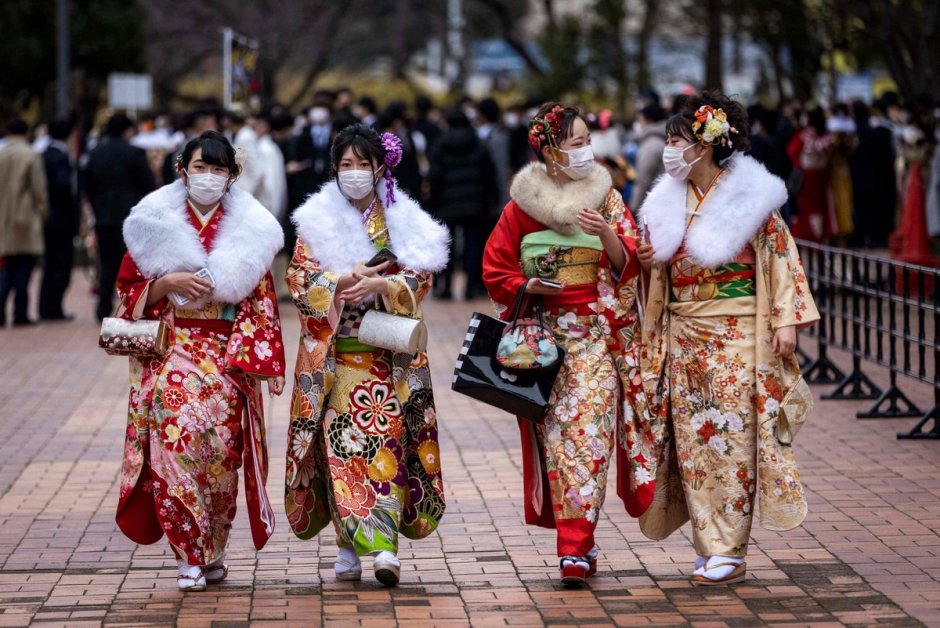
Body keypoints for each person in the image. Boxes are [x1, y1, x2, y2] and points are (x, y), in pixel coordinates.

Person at [636, 91, 819, 586]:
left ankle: (730, 549)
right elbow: (653, 271)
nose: (670, 149)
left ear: (705, 145)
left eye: (677, 140)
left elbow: (780, 257)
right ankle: (709, 544)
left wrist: (784, 321)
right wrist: (649, 261)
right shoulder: (666, 199)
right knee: (694, 442)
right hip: (684, 330)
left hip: (737, 331)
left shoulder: (749, 197)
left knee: (731, 437)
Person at [482, 103, 651, 587]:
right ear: (551, 151)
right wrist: (526, 288)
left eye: (585, 141)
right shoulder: (522, 206)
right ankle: (581, 539)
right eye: (574, 142)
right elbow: (496, 267)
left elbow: (627, 265)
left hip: (596, 337)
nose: (585, 150)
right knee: (557, 441)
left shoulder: (607, 197)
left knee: (587, 437)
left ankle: (573, 547)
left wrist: (606, 236)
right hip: (544, 340)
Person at [114, 130, 285, 591]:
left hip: (229, 357)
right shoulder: (153, 222)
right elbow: (125, 291)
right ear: (181, 171)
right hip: (175, 351)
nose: (208, 177)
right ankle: (188, 553)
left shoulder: (250, 230)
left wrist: (266, 363)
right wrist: (166, 282)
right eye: (200, 167)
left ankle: (214, 548)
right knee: (176, 447)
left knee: (221, 460)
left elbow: (263, 300)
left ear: (232, 176)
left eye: (218, 169)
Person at [285, 124, 448, 587]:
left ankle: (383, 547)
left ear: (381, 167)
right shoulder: (315, 221)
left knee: (387, 446)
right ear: (334, 169)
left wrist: (385, 285)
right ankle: (347, 543)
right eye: (345, 165)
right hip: (337, 360)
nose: (355, 173)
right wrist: (337, 281)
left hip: (386, 357)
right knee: (340, 451)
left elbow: (422, 277)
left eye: (363, 164)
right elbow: (298, 279)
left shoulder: (403, 218)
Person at [86, 113, 157, 321]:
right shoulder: (134, 153)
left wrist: (96, 207)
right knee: (134, 263)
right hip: (130, 217)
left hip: (103, 216)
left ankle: (103, 308)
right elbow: (148, 184)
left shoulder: (95, 153)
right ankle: (133, 305)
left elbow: (87, 186)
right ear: (127, 130)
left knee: (107, 263)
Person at [428, 108, 499, 300]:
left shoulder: (440, 144)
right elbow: (488, 175)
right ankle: (470, 288)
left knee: (447, 246)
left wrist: (433, 203)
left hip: (447, 204)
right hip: (474, 204)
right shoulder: (478, 143)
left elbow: (434, 176)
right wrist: (490, 200)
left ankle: (446, 288)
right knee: (473, 246)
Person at [0, 118, 48, 326]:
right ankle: (21, 313)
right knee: (24, 267)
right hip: (25, 217)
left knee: (6, 266)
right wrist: (43, 212)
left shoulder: (1, 154)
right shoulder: (30, 154)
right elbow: (39, 189)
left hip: (3, 217)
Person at [39, 118, 81, 321]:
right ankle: (53, 308)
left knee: (49, 264)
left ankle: (45, 306)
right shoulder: (62, 157)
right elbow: (63, 187)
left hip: (47, 218)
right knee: (61, 264)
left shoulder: (44, 153)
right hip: (62, 219)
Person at [787, 107, 833, 242]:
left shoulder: (804, 134)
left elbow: (792, 151)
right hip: (822, 174)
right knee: (820, 205)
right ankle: (821, 232)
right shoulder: (827, 135)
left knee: (807, 207)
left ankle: (809, 233)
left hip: (807, 175)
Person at [630, 103, 668, 210]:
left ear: (649, 120)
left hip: (654, 204)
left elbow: (643, 180)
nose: (638, 123)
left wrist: (633, 207)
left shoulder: (652, 144)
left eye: (640, 119)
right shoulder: (660, 139)